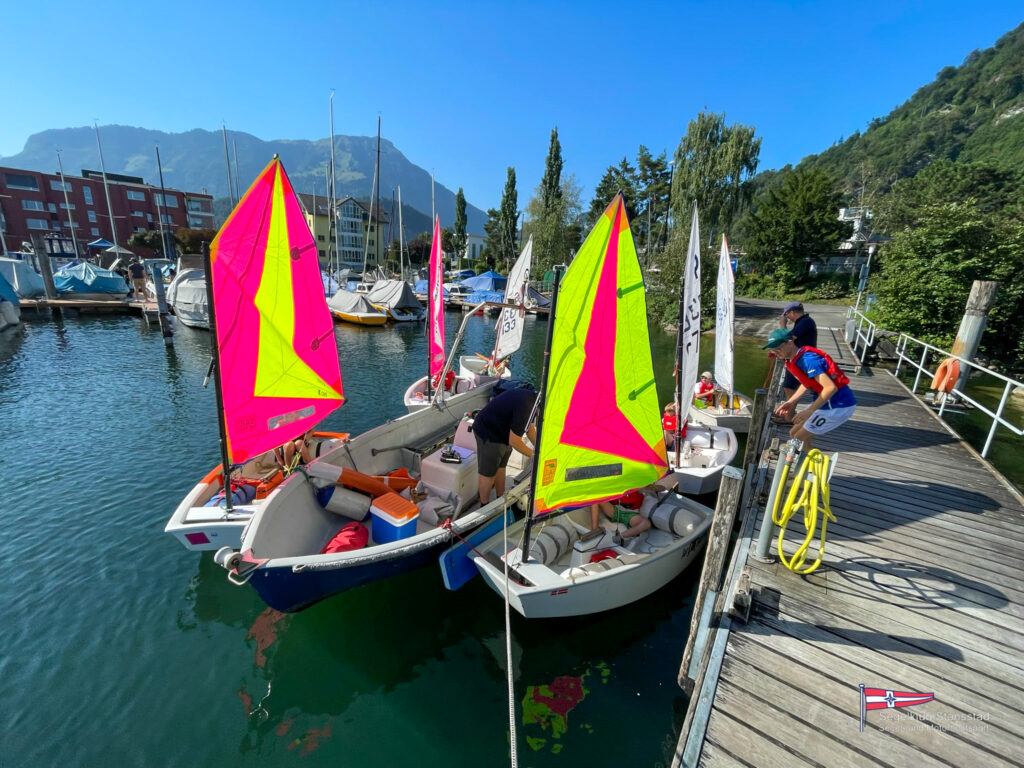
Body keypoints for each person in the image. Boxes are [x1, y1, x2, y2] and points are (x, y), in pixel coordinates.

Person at [763, 329, 856, 450]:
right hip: (826, 403)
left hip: (838, 406)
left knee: (798, 437)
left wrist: (810, 411)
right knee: (793, 433)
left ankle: (806, 459)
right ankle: (808, 458)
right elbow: (806, 383)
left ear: (790, 342)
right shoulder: (791, 360)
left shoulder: (808, 360)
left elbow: (830, 388)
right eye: (773, 350)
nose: (776, 353)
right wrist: (791, 402)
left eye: (778, 349)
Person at [472, 387, 537, 505]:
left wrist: (539, 447)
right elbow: (514, 441)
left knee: (501, 465)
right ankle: (484, 505)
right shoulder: (527, 406)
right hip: (488, 431)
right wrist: (535, 456)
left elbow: (529, 428)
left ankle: (500, 499)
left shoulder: (534, 401)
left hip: (504, 432)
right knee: (488, 473)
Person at [777, 302, 818, 416]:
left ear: (792, 312)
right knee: (789, 386)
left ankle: (789, 415)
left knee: (790, 386)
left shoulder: (805, 322)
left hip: (802, 359)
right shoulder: (803, 321)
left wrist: (782, 325)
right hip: (799, 358)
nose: (787, 318)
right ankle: (789, 413)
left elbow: (788, 339)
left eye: (786, 315)